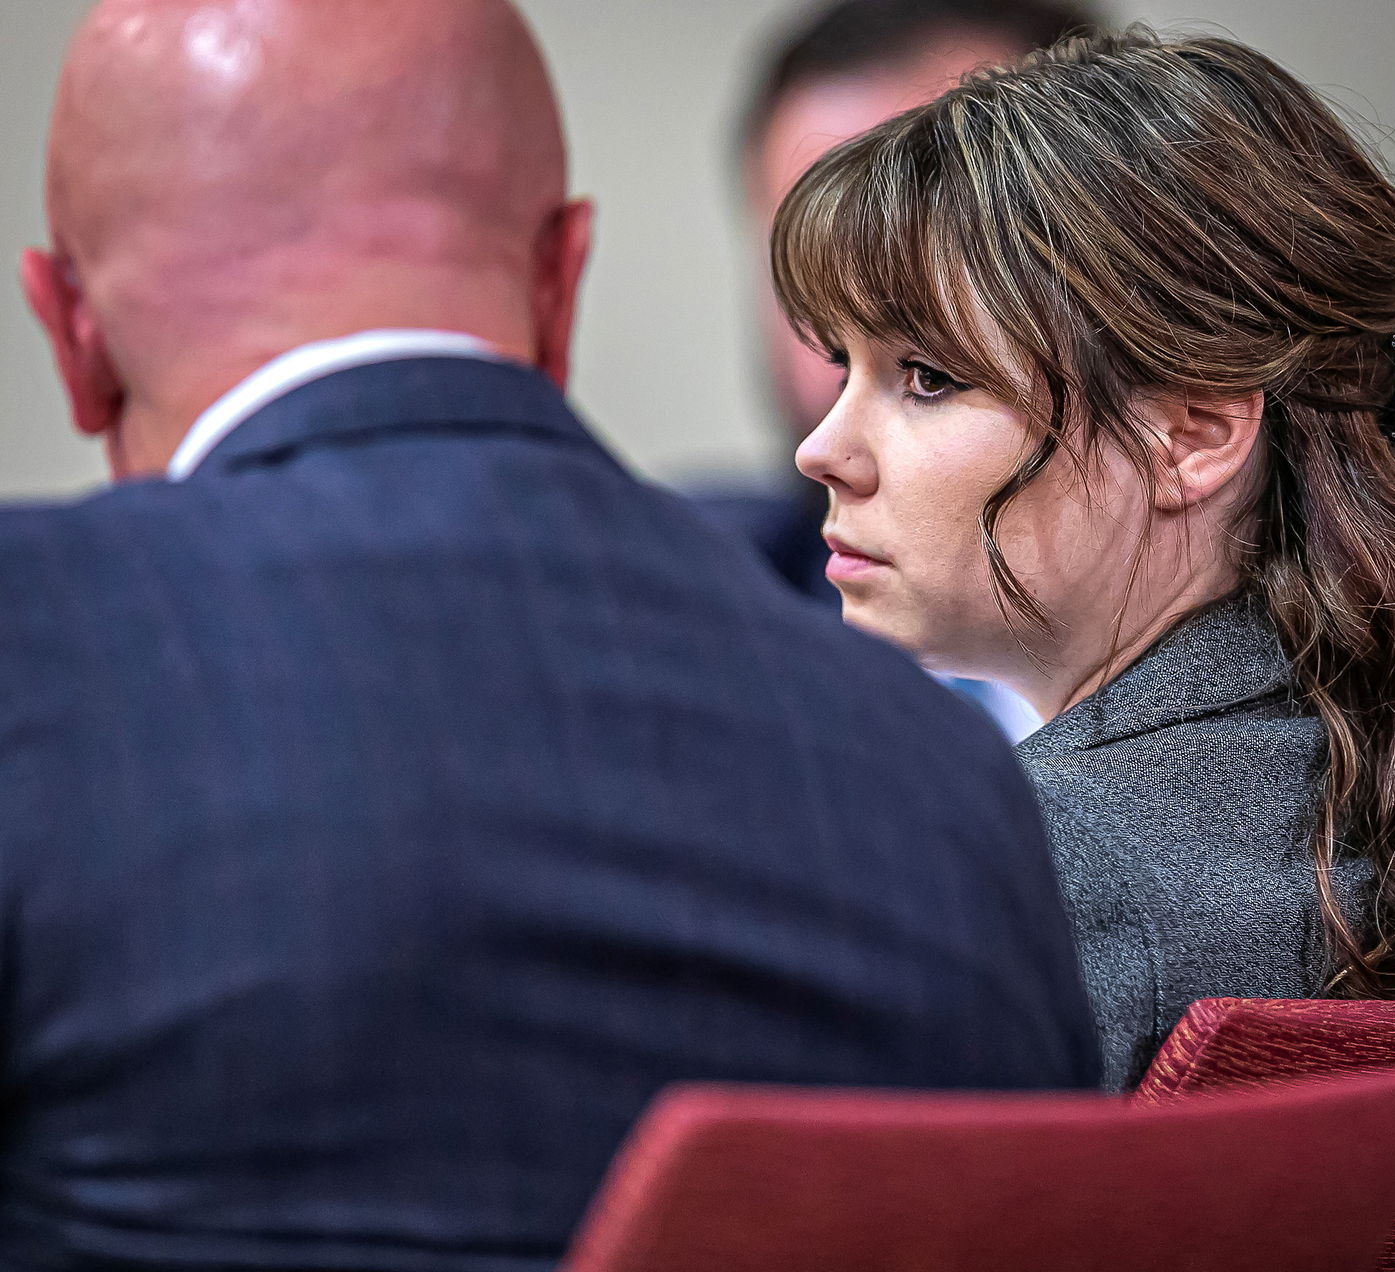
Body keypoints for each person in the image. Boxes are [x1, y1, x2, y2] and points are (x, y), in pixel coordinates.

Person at [2, 0, 1100, 1265]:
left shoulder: (31, 647)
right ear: (559, 279)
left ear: (73, 335)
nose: (833, 425)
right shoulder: (941, 768)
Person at [773, 27, 1395, 1089]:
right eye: (843, 365)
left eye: (927, 377)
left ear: (1195, 436)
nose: (822, 450)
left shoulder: (1030, 865)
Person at [699, 0, 1103, 741]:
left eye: (934, 264)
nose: (840, 324)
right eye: (805, 267)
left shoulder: (1342, 683)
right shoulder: (685, 601)